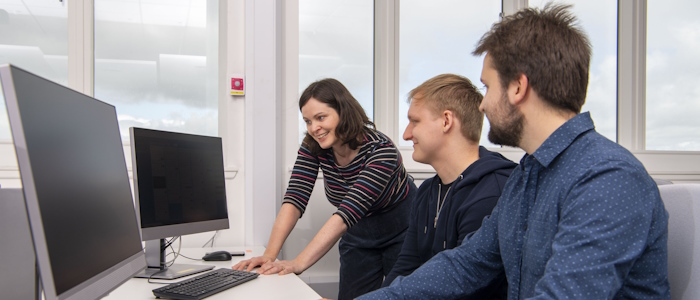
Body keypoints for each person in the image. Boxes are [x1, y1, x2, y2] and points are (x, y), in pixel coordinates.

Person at [359, 4, 669, 299]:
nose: (482, 104)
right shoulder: (527, 175)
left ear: (518, 88)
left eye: (487, 87)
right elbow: (466, 265)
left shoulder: (607, 178)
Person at [232, 78, 417, 300]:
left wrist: (299, 263)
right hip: (358, 233)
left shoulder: (382, 151)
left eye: (321, 118)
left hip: (402, 232)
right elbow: (294, 200)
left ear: (344, 112)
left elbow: (346, 213)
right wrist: (270, 255)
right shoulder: (313, 147)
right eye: (308, 121)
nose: (314, 128)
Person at [382, 73, 516, 299]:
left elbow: (468, 287)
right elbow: (406, 267)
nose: (406, 134)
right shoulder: (426, 192)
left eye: (415, 121)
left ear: (446, 121)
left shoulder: (491, 193)